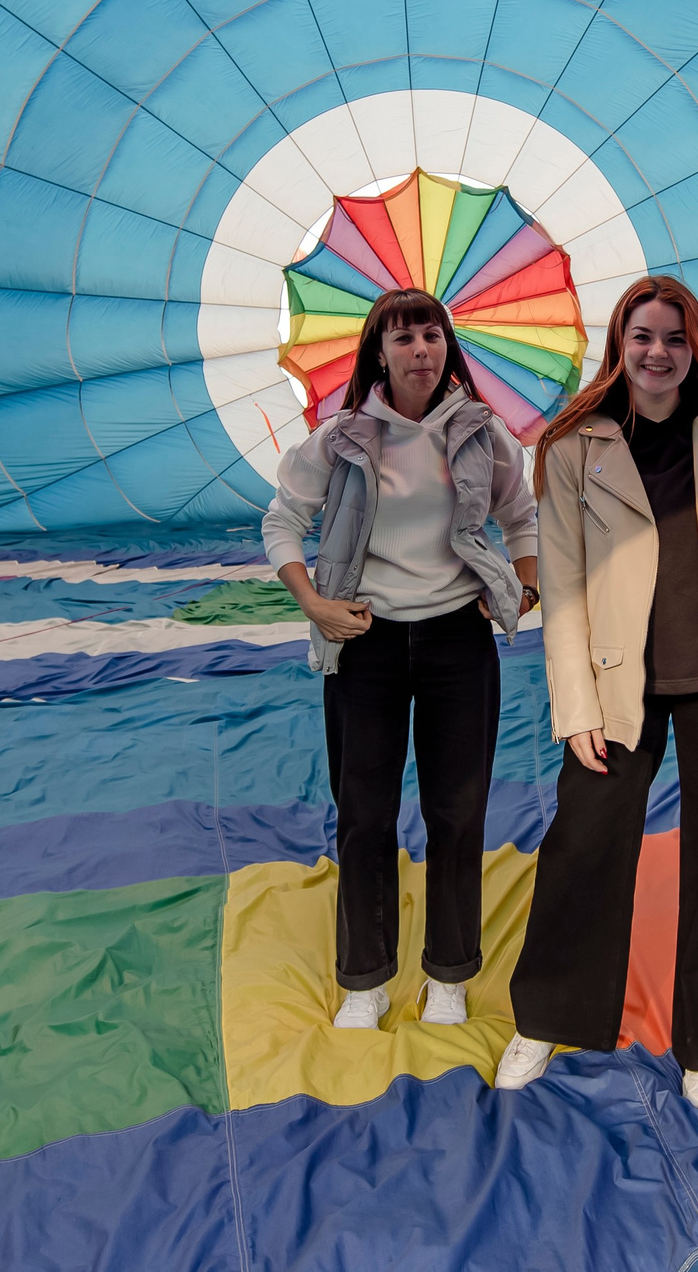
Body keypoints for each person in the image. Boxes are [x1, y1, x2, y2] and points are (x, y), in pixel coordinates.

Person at [495, 276, 698, 1109]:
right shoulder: (574, 449)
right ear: (619, 344)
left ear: (695, 349)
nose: (658, 352)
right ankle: (548, 1014)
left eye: (675, 337)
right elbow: (561, 589)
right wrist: (576, 709)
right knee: (586, 842)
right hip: (617, 680)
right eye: (643, 335)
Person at [264, 288, 539, 1030]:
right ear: (378, 352)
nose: (421, 349)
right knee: (364, 814)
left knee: (457, 810)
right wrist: (312, 602)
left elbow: (523, 514)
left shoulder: (483, 432)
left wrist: (528, 581)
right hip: (366, 642)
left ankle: (448, 973)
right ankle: (366, 977)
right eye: (404, 337)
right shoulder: (342, 436)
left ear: (448, 347)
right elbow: (283, 519)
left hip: (457, 641)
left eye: (432, 335)